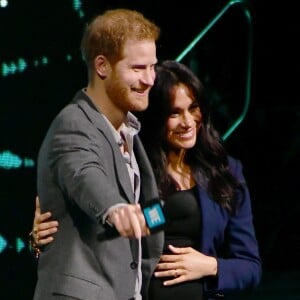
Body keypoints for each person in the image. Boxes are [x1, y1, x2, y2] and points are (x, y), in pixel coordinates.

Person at [32, 60, 262, 299]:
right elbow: (91, 240)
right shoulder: (130, 170)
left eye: (193, 108)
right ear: (156, 117)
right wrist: (42, 239)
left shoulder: (226, 173)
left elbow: (250, 268)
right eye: (174, 113)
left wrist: (209, 266)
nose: (188, 122)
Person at [32, 8, 164, 300]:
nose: (150, 79)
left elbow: (148, 209)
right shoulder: (73, 123)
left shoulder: (129, 132)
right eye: (138, 68)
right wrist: (113, 209)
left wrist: (162, 217)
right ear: (102, 66)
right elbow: (83, 172)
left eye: (152, 67)